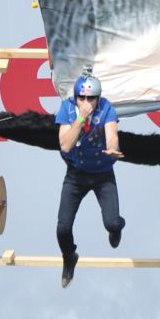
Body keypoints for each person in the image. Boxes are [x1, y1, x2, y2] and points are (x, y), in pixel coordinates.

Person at [55, 72, 124, 288]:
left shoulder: (106, 108)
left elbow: (112, 133)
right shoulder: (67, 109)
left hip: (103, 174)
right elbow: (65, 145)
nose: (87, 103)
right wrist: (81, 117)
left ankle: (116, 229)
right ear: (75, 97)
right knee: (62, 229)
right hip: (76, 175)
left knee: (112, 222)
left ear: (98, 97)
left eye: (91, 98)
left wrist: (113, 148)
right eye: (82, 98)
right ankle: (70, 257)